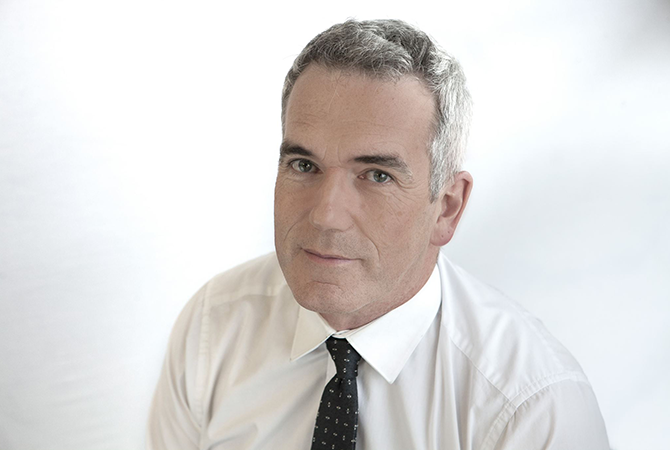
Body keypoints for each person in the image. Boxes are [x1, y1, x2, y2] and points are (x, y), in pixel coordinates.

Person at [147, 19, 610, 450]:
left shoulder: (531, 407)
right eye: (304, 165)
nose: (326, 216)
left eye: (377, 175)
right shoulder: (215, 326)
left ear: (447, 207)